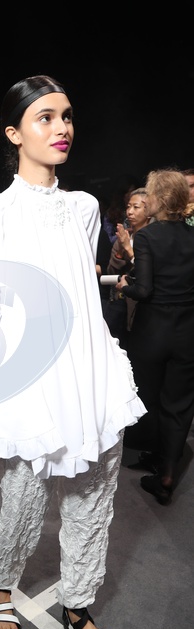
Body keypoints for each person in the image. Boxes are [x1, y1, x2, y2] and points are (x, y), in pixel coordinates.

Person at [0, 75, 146, 629]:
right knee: (21, 505)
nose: (62, 127)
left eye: (66, 115)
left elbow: (79, 288)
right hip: (30, 384)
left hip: (94, 380)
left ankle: (78, 605)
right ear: (14, 133)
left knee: (93, 503)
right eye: (45, 117)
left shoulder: (85, 207)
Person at [117, 169, 194, 505]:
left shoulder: (148, 237)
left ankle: (152, 454)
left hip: (152, 334)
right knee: (178, 405)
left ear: (159, 198)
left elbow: (144, 290)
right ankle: (167, 473)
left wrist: (124, 287)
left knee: (149, 397)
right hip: (187, 332)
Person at [104, 188, 151, 349]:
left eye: (136, 207)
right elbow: (111, 270)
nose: (130, 212)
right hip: (121, 301)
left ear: (149, 210)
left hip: (143, 303)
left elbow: (147, 270)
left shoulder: (153, 238)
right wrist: (121, 249)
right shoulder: (124, 237)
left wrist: (128, 248)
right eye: (128, 207)